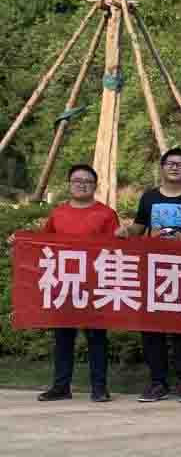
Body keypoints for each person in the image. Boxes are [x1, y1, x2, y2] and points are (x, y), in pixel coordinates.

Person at [118, 148, 181, 403]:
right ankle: (157, 382)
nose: (174, 167)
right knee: (152, 326)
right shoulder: (149, 197)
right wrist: (126, 232)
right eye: (170, 163)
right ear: (162, 167)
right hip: (153, 269)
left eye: (180, 164)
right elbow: (139, 228)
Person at [31, 165, 120, 403]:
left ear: (95, 186)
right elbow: (43, 242)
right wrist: (19, 240)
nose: (82, 184)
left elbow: (117, 247)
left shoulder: (106, 214)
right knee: (63, 337)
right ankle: (61, 386)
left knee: (96, 337)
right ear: (69, 184)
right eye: (77, 180)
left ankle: (99, 388)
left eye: (87, 181)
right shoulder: (58, 213)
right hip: (64, 283)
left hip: (95, 283)